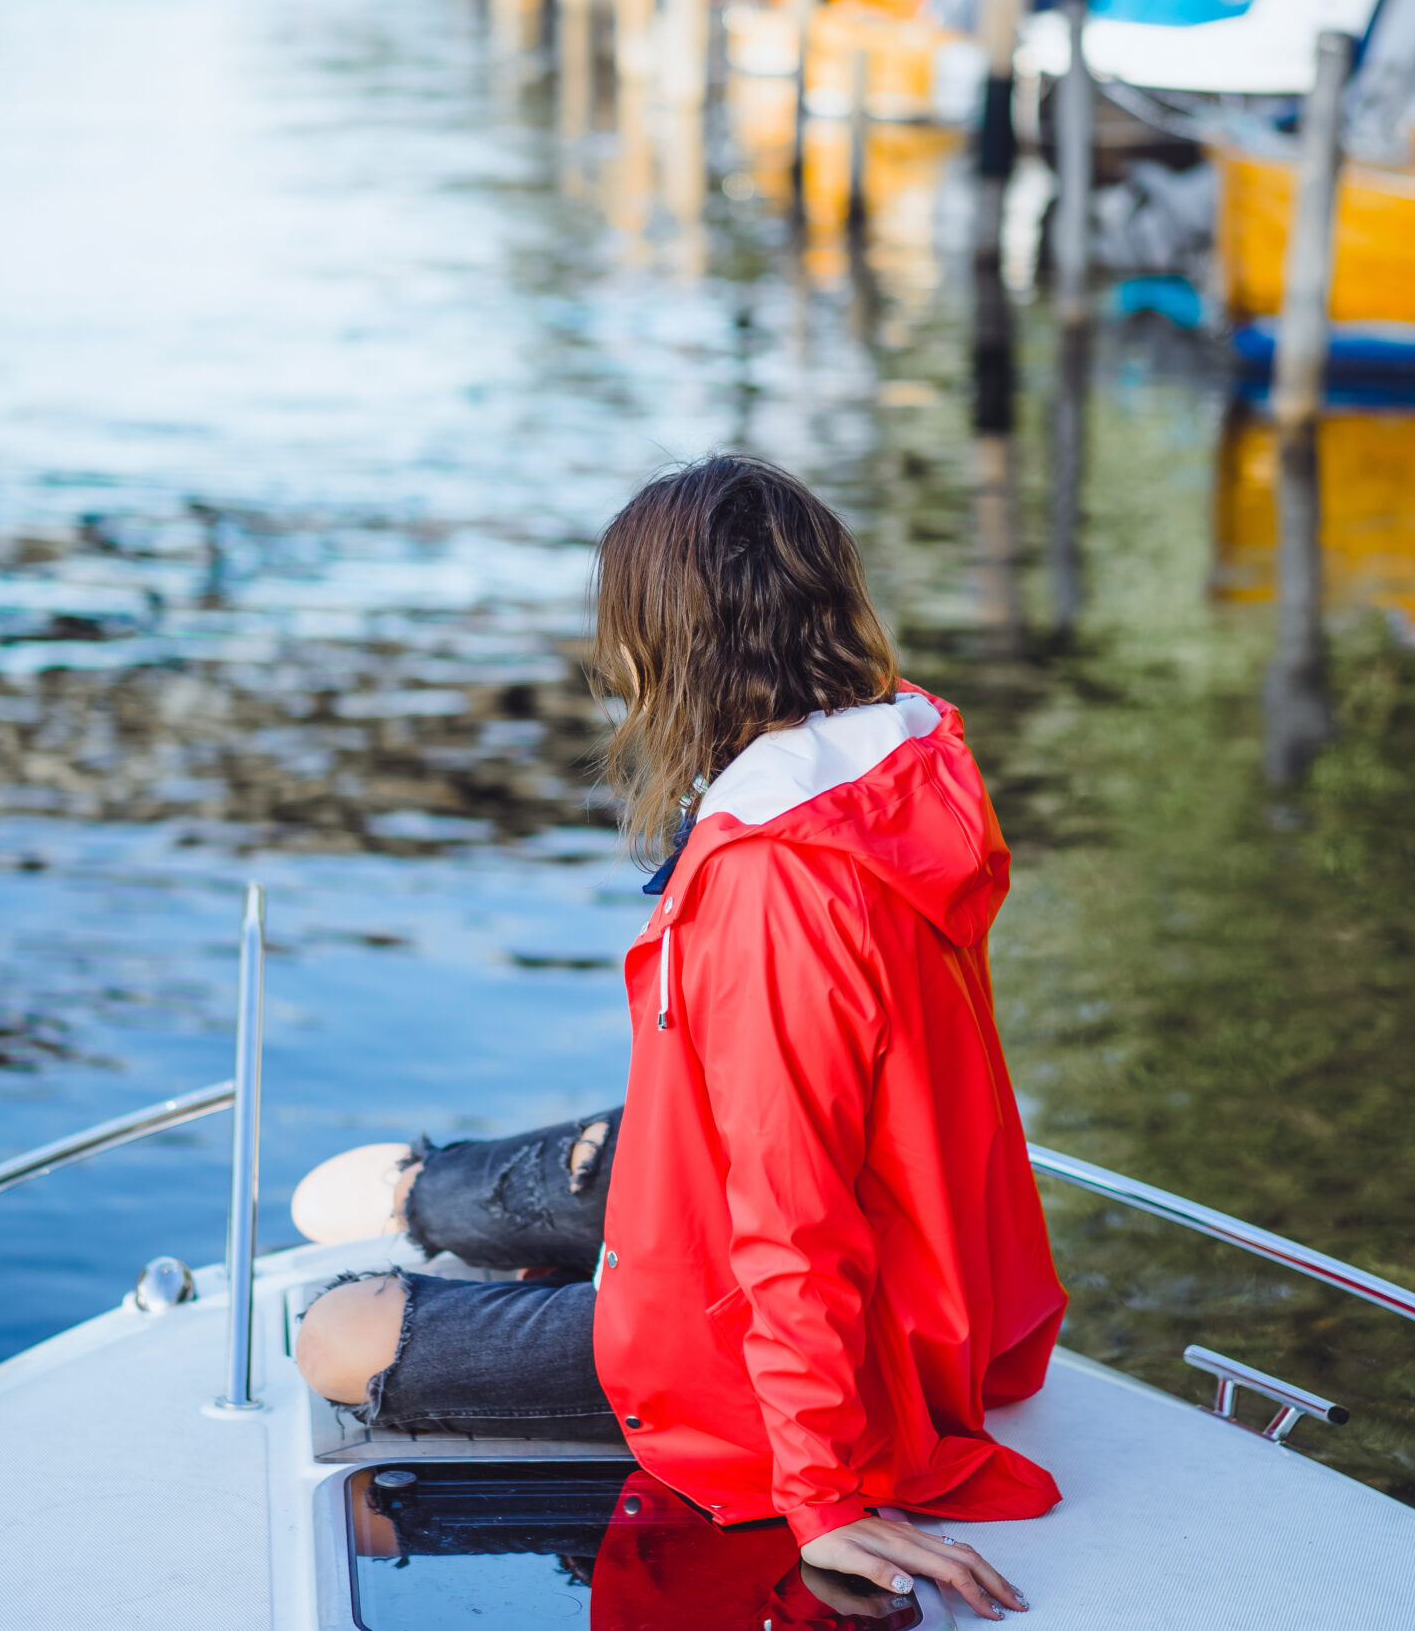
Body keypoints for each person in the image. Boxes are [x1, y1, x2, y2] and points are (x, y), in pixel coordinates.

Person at [292, 454, 1063, 1620]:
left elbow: (793, 1213)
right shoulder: (909, 760)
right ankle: (428, 1196)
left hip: (803, 1329)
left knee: (333, 1337)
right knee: (589, 1156)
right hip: (902, 1240)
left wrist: (825, 1494)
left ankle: (438, 1209)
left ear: (669, 648)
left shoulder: (773, 881)